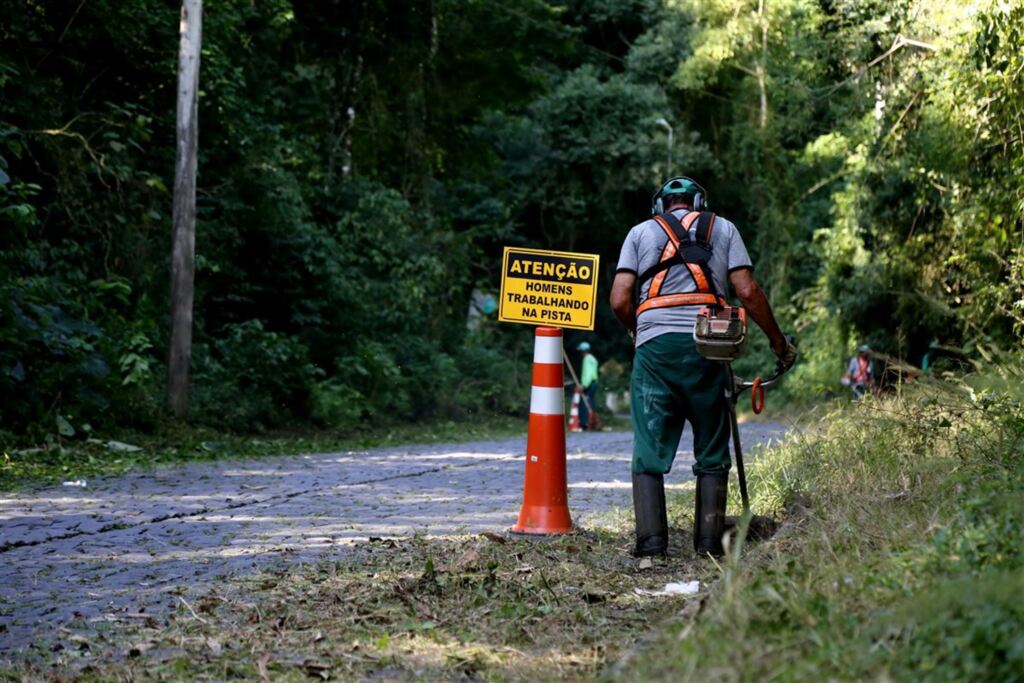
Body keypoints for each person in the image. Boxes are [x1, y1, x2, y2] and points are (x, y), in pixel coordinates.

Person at [609, 176, 796, 558]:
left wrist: (638, 329)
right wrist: (780, 344)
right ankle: (709, 546)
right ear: (699, 202)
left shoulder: (639, 233)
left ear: (659, 207)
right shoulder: (723, 228)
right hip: (709, 347)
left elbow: (618, 299)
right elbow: (746, 291)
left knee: (649, 447)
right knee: (712, 445)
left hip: (655, 348)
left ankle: (651, 548)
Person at [576, 341, 600, 430]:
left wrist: (584, 385)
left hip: (589, 384)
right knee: (591, 402)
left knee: (584, 403)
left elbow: (588, 373)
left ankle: (585, 423)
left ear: (583, 351)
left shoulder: (587, 359)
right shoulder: (593, 359)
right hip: (593, 383)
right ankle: (592, 422)